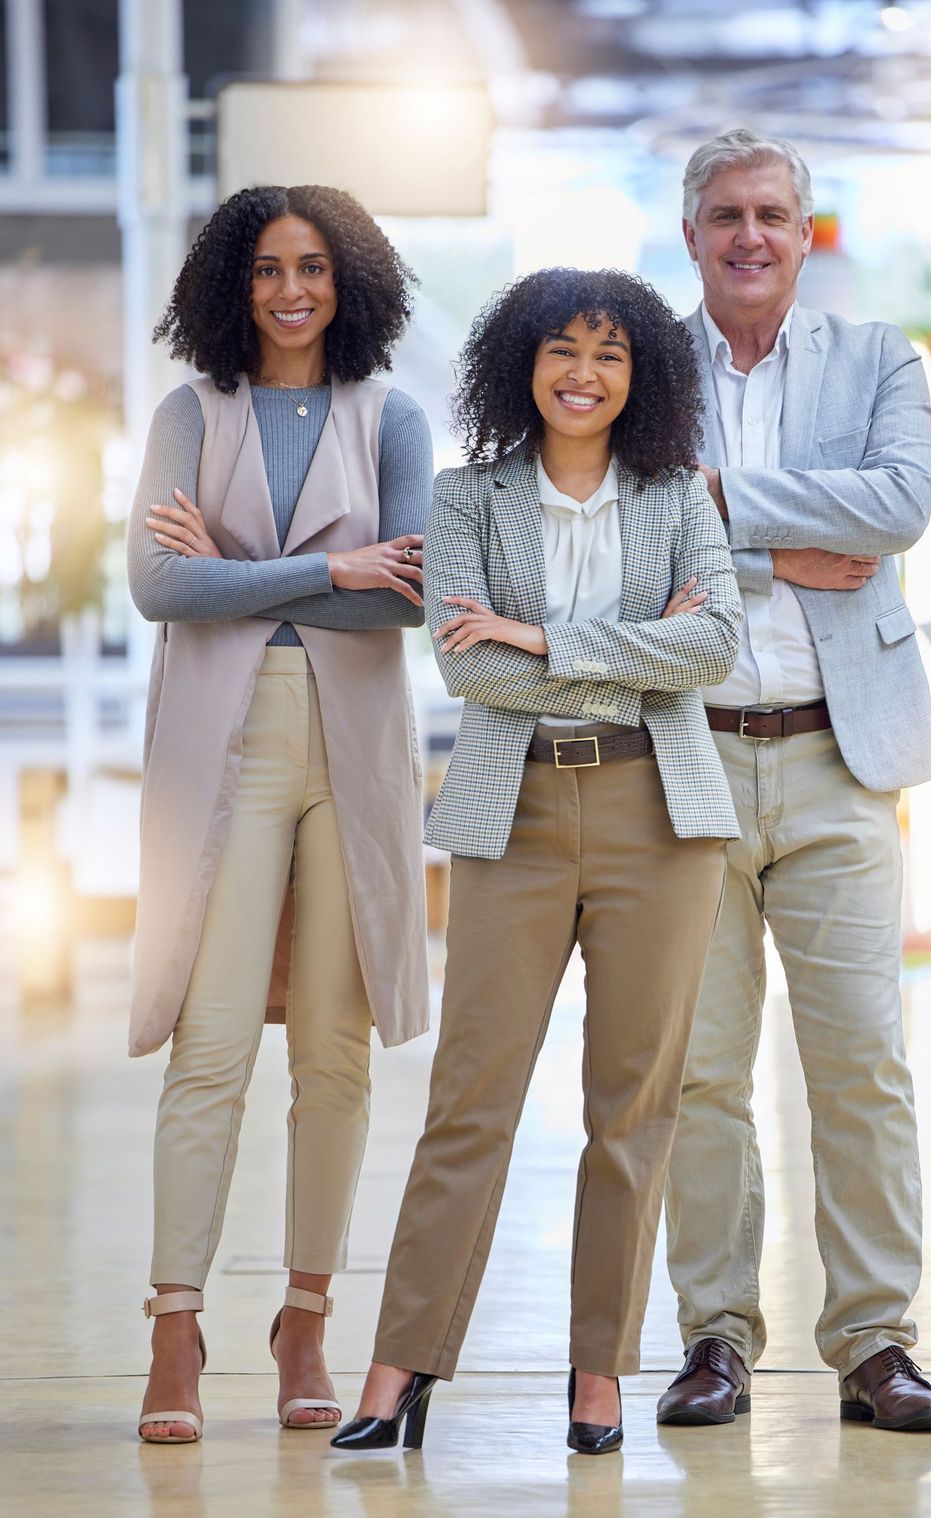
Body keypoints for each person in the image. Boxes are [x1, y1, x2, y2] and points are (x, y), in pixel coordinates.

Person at [331, 267, 742, 1457]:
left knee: (632, 1107)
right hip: (509, 812)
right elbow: (469, 667)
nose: (583, 372)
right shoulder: (467, 497)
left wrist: (542, 637)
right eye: (563, 348)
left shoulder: (677, 494)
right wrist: (627, 648)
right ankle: (400, 1362)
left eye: (610, 353)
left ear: (640, 375)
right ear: (523, 362)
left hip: (659, 817)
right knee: (471, 1097)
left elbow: (713, 645)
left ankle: (598, 1369)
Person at [659, 129, 931, 1432]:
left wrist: (722, 505)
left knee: (861, 1065)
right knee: (698, 1074)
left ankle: (875, 1342)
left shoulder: (879, 357)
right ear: (690, 234)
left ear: (803, 230)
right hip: (688, 757)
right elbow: (627, 531)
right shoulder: (639, 365)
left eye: (771, 213)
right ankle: (714, 1337)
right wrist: (791, 541)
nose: (749, 235)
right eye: (726, 214)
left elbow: (893, 507)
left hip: (842, 754)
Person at [127, 184, 432, 1444]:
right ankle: (176, 1327)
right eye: (264, 268)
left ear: (347, 280)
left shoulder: (391, 416)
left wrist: (237, 575)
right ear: (230, 283)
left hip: (353, 750)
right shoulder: (189, 414)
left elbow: (411, 594)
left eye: (311, 266)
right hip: (226, 743)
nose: (289, 290)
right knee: (210, 1044)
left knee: (333, 1052)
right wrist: (327, 568)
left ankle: (305, 1318)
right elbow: (158, 586)